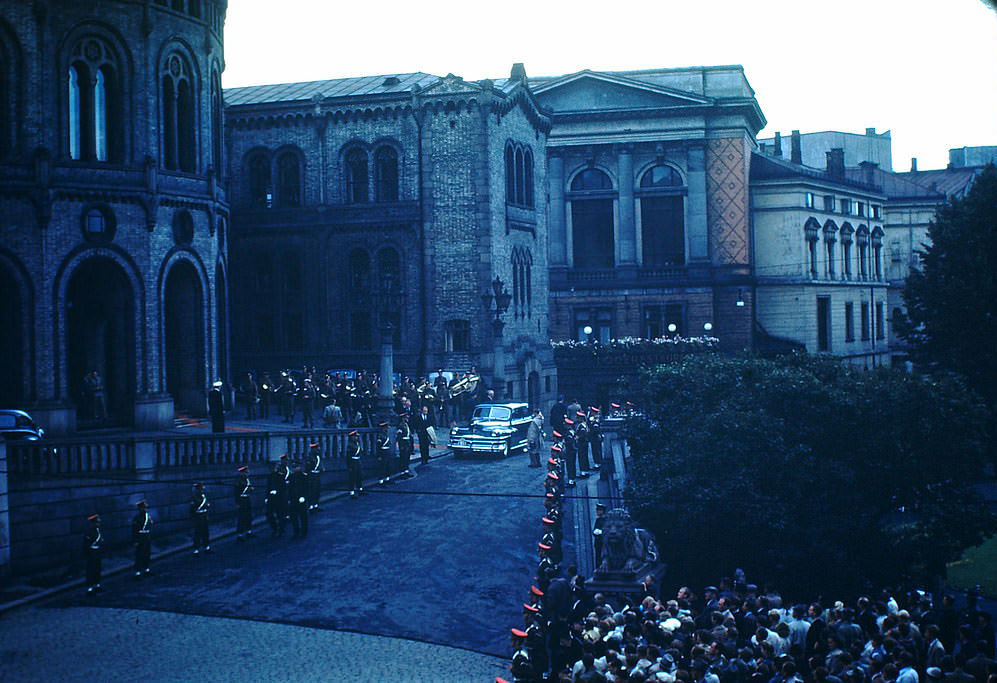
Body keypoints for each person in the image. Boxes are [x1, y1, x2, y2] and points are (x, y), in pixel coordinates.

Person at [265, 459, 288, 537]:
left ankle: (281, 529)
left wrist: (277, 491)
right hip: (271, 498)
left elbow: (284, 488)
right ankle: (274, 528)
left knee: (280, 514)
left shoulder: (281, 476)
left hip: (279, 498)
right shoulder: (270, 476)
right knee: (269, 514)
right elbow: (268, 487)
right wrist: (267, 497)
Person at [131, 499, 153, 578]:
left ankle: (146, 568)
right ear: (140, 508)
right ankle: (138, 571)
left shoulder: (148, 516)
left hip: (146, 536)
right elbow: (134, 530)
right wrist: (135, 540)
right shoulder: (137, 518)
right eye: (143, 508)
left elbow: (150, 525)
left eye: (145, 507)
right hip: (140, 537)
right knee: (139, 554)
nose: (145, 509)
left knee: (147, 553)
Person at [287, 461, 309, 537]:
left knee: (303, 516)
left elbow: (307, 488)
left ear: (300, 467)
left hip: (301, 499)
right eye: (293, 467)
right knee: (293, 517)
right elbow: (289, 489)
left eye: (296, 467)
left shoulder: (304, 476)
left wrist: (304, 497)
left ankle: (304, 531)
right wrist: (288, 498)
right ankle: (296, 531)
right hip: (293, 499)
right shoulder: (291, 477)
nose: (295, 469)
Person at [83, 513, 104, 593]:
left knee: (97, 568)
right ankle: (90, 587)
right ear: (93, 523)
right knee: (90, 570)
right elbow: (86, 543)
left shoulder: (98, 530)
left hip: (97, 552)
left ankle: (97, 584)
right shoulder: (89, 532)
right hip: (91, 552)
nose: (98, 524)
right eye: (97, 522)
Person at [190, 482, 212, 554]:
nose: (203, 489)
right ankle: (196, 549)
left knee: (205, 531)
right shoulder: (194, 497)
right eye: (201, 488)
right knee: (197, 533)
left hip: (204, 515)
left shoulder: (203, 495)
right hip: (198, 516)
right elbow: (192, 508)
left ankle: (206, 546)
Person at [234, 466, 254, 541]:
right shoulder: (239, 481)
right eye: (246, 472)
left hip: (247, 499)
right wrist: (237, 503)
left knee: (248, 515)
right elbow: (236, 492)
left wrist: (251, 490)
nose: (247, 474)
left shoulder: (247, 480)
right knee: (241, 517)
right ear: (242, 473)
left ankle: (249, 531)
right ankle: (240, 534)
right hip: (241, 500)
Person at [346, 430, 364, 497]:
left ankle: (360, 489)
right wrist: (349, 466)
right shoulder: (350, 445)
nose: (357, 438)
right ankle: (352, 492)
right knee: (352, 478)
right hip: (352, 462)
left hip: (357, 461)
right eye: (355, 436)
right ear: (352, 437)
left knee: (359, 476)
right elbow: (348, 457)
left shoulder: (357, 443)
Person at [306, 442, 322, 511]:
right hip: (312, 475)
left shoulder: (318, 456)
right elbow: (308, 467)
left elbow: (319, 464)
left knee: (317, 490)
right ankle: (311, 506)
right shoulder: (310, 457)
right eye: (317, 448)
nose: (318, 449)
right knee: (311, 491)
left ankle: (316, 505)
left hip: (317, 475)